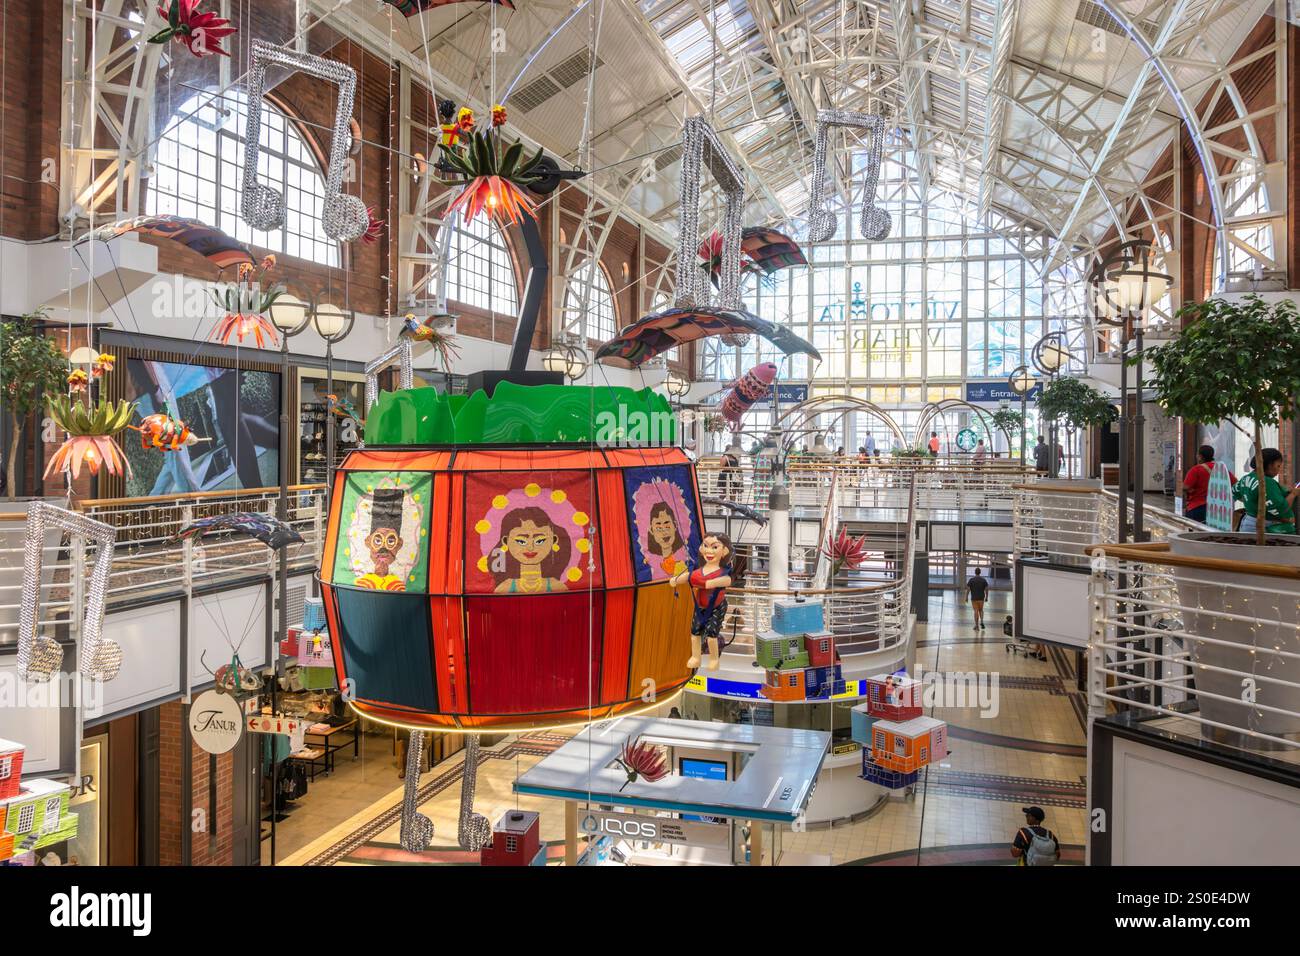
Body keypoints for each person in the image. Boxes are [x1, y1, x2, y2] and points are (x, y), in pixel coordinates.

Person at [670, 532, 734, 672]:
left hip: (716, 606)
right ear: (701, 548)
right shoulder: (700, 570)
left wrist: (710, 583)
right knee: (695, 632)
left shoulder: (723, 571)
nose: (709, 551)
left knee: (711, 635)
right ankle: (696, 657)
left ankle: (714, 659)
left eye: (714, 547)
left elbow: (727, 580)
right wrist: (676, 580)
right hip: (700, 607)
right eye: (706, 546)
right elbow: (690, 576)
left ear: (724, 551)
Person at [1234, 447, 1299, 534]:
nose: (1279, 470)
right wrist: (1294, 494)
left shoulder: (1246, 478)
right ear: (1269, 464)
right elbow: (1280, 509)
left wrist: (1253, 504)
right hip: (1263, 527)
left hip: (1247, 523)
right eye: (1278, 466)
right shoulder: (1265, 482)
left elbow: (1235, 493)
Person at [1183, 444, 1232, 524]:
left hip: (1197, 507)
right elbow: (1234, 483)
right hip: (1216, 508)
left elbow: (1186, 487)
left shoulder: (1196, 469)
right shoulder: (1220, 469)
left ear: (1200, 456)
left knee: (1196, 533)